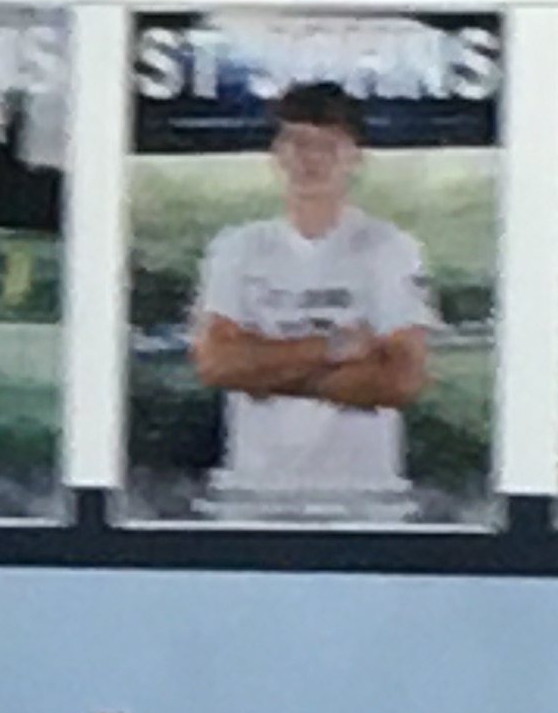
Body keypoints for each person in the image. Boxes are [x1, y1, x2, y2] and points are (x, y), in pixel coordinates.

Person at [184, 80, 433, 496]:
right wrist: (333, 350)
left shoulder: (390, 248)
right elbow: (216, 364)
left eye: (328, 145)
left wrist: (261, 369)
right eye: (297, 142)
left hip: (364, 492)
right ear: (277, 153)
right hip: (254, 489)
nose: (311, 159)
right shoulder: (237, 247)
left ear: (355, 156)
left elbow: (401, 379)